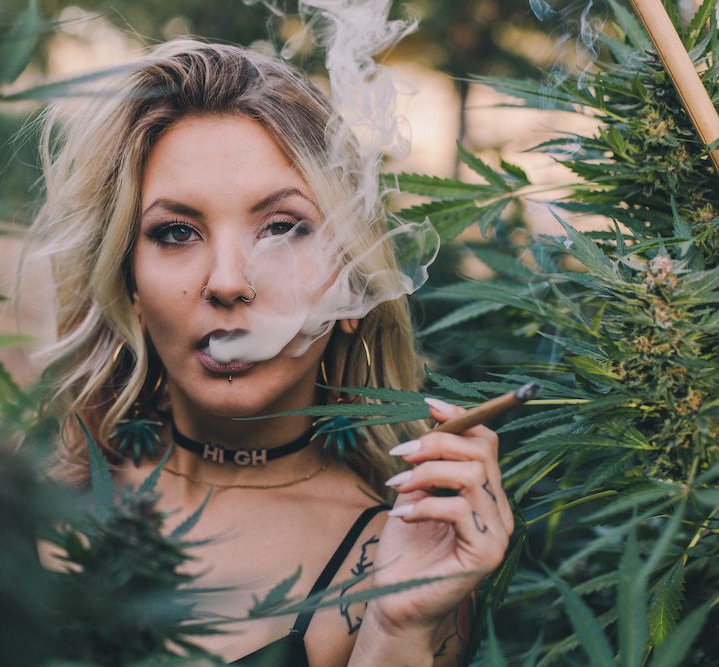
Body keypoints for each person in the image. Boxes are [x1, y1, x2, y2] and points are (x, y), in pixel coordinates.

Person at [30, 40, 513, 666]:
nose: (228, 281)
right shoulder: (32, 518)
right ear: (133, 291)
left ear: (353, 285)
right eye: (177, 233)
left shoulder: (400, 559)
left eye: (282, 228)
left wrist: (397, 632)